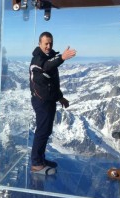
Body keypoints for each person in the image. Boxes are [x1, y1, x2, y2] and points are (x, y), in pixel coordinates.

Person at [29, 31, 76, 175]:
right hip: (41, 101)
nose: (49, 46)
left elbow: (52, 83)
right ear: (40, 44)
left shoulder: (49, 56)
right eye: (46, 43)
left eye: (50, 43)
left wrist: (60, 97)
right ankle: (36, 163)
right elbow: (46, 67)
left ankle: (41, 159)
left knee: (46, 131)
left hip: (49, 99)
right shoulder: (38, 60)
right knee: (42, 131)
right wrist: (62, 57)